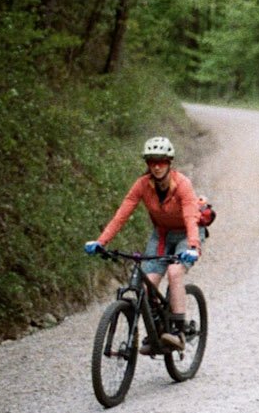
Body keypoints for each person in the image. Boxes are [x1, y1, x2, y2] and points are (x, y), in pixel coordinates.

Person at [85, 136, 202, 349]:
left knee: (175, 272)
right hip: (162, 234)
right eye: (151, 162)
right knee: (148, 283)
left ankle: (178, 330)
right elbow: (122, 214)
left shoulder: (183, 184)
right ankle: (157, 333)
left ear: (170, 162)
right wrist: (101, 241)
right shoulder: (142, 185)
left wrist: (193, 247)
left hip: (187, 233)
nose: (157, 167)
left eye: (162, 161)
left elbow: (191, 218)